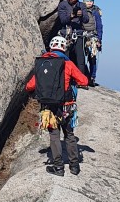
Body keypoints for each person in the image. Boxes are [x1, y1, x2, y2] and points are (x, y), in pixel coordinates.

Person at [25, 34, 89, 175]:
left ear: (51, 47)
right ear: (64, 48)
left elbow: (30, 86)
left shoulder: (43, 64)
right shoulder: (68, 64)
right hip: (67, 106)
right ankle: (74, 166)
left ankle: (58, 167)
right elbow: (84, 80)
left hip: (49, 108)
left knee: (54, 135)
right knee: (69, 135)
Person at [55, 0, 89, 73]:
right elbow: (63, 20)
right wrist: (72, 16)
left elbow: (86, 20)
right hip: (65, 33)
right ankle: (65, 77)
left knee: (80, 57)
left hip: (78, 33)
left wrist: (81, 15)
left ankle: (81, 79)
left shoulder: (82, 5)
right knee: (65, 56)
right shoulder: (63, 5)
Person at [80, 0, 103, 85]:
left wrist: (99, 39)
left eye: (90, 1)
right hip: (83, 35)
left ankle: (92, 77)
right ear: (83, 1)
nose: (89, 3)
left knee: (93, 58)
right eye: (87, 1)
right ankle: (86, 76)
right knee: (83, 58)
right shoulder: (80, 10)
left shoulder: (96, 12)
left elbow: (99, 26)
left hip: (93, 36)